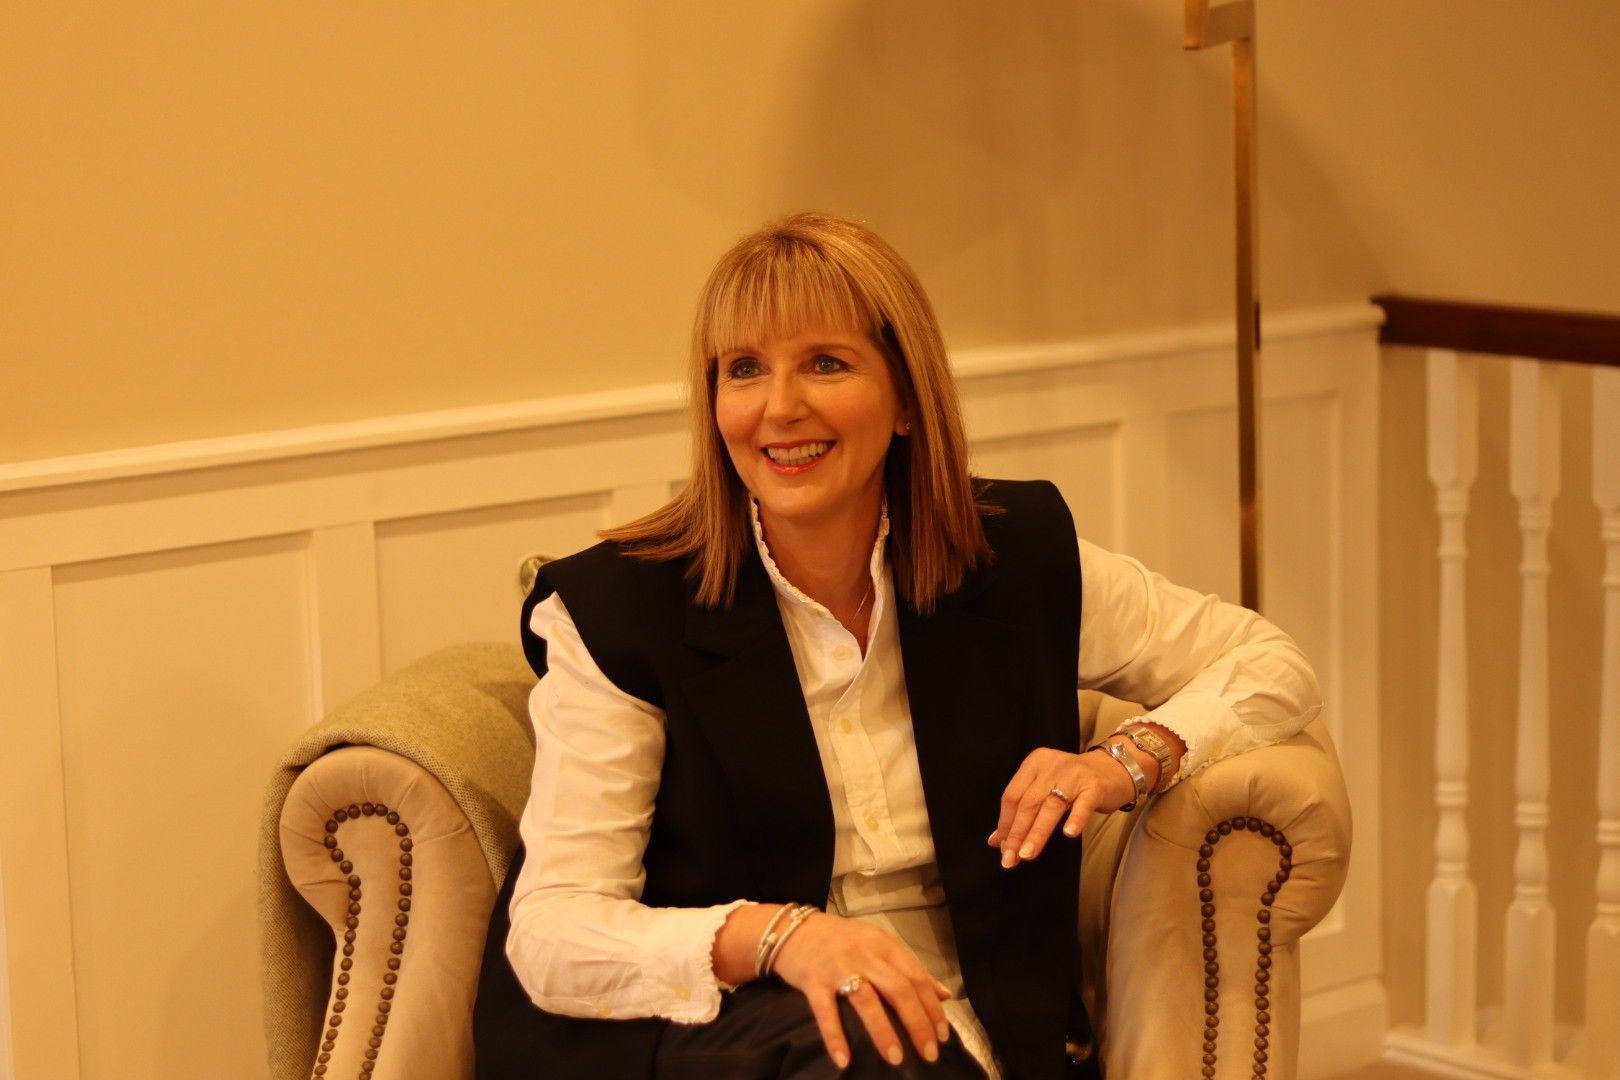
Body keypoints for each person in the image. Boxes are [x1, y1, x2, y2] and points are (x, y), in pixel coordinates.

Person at [472, 212, 1322, 1079]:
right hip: (697, 1034)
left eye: (826, 364)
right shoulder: (622, 608)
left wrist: (1125, 761)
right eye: (745, 369)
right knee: (869, 1049)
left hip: (961, 1029)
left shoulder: (1012, 556)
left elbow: (1268, 663)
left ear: (908, 399)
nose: (779, 408)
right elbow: (552, 931)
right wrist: (780, 937)